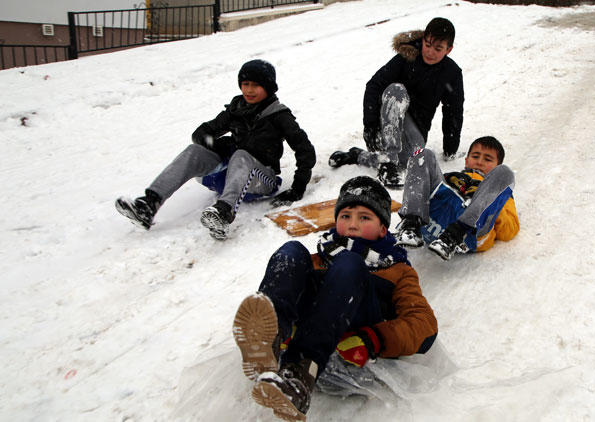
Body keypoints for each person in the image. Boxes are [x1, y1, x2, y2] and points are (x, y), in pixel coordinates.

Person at [232, 176, 437, 421]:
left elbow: (423, 323)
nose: (352, 225)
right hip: (310, 324)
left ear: (383, 228)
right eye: (345, 216)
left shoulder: (398, 270)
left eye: (364, 217)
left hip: (354, 335)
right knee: (292, 251)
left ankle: (301, 369)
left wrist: (375, 338)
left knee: (350, 262)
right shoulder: (321, 256)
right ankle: (270, 342)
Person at [115, 59, 316, 240]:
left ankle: (223, 213)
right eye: (245, 84)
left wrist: (297, 189)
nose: (249, 90)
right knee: (193, 151)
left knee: (241, 155)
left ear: (269, 88)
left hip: (261, 180)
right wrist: (217, 145)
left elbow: (305, 150)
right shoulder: (236, 110)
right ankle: (148, 205)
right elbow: (201, 133)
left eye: (256, 85)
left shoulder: (279, 116)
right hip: (230, 177)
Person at [328, 17, 464, 188]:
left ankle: (358, 156)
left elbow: (454, 111)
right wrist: (370, 126)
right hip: (385, 129)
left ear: (448, 49)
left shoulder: (451, 72)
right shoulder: (406, 58)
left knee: (411, 161)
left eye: (438, 48)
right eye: (427, 45)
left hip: (415, 131)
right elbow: (374, 85)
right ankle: (388, 164)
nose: (430, 52)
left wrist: (450, 149)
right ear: (423, 40)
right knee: (396, 90)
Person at [395, 136, 519, 260]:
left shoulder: (498, 191)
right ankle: (410, 226)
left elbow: (510, 230)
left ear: (496, 166)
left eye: (488, 159)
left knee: (506, 173)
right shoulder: (451, 176)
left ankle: (455, 234)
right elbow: (420, 191)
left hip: (469, 232)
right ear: (466, 160)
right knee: (423, 154)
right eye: (475, 156)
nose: (480, 162)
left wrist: (494, 206)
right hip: (435, 218)